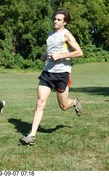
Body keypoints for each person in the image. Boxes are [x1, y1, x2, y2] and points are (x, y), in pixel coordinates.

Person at [19, 9, 84, 145]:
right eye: (54, 19)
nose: (55, 21)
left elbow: (79, 52)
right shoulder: (50, 34)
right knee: (40, 103)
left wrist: (60, 56)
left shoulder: (66, 35)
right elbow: (51, 50)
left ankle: (75, 102)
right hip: (47, 73)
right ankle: (32, 135)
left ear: (65, 22)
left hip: (62, 73)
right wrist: (44, 56)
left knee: (63, 106)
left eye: (59, 19)